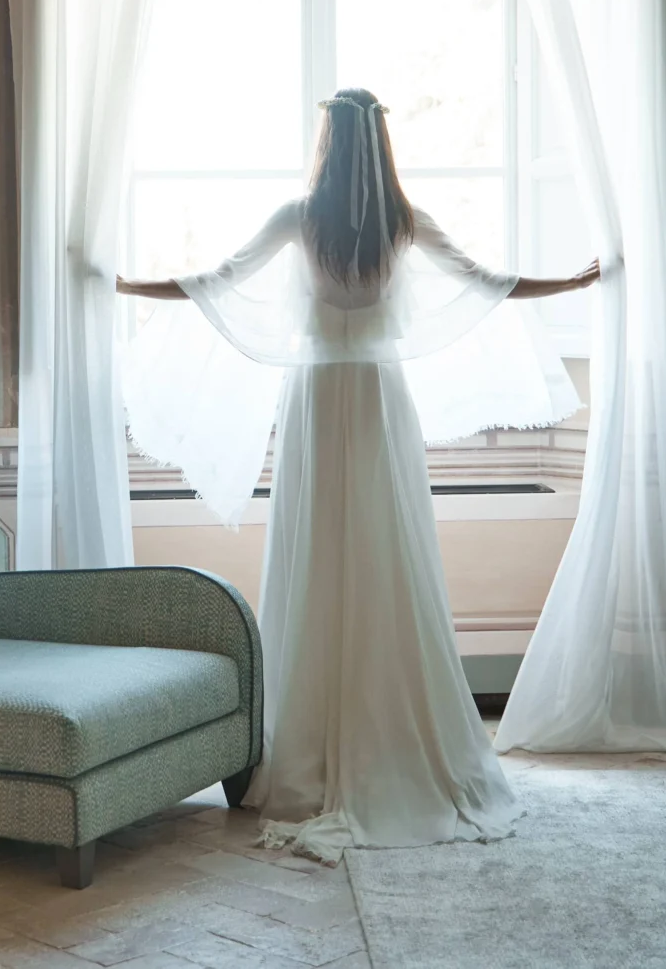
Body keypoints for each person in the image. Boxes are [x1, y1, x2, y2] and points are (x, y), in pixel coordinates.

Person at [116, 88, 601, 863]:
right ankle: (397, 742)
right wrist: (570, 285)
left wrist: (125, 286)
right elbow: (489, 281)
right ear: (378, 146)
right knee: (386, 559)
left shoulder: (301, 215)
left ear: (328, 141)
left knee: (317, 560)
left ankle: (305, 745)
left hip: (318, 396)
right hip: (377, 398)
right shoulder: (402, 220)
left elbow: (215, 279)